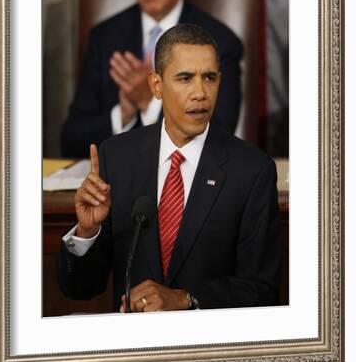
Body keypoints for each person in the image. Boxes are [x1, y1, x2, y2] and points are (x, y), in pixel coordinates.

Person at [58, 24, 281, 312]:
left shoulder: (252, 171)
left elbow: (262, 290)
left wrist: (187, 299)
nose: (200, 93)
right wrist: (87, 232)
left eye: (209, 78)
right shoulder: (116, 156)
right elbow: (81, 288)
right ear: (156, 86)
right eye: (185, 78)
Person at [60, 0, 243, 158]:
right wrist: (124, 113)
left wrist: (150, 101)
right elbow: (71, 140)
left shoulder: (219, 41)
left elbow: (220, 135)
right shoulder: (104, 37)